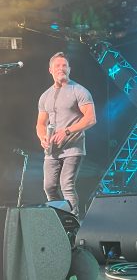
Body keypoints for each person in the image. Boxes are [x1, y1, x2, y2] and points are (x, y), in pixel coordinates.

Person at [36, 52, 96, 218]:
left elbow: (91, 119)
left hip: (73, 147)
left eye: (64, 65)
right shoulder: (45, 96)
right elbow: (40, 124)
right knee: (49, 187)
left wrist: (67, 131)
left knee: (66, 185)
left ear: (69, 69)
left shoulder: (79, 91)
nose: (61, 68)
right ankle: (59, 218)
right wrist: (43, 138)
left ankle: (74, 221)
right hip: (51, 151)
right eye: (57, 66)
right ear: (50, 70)